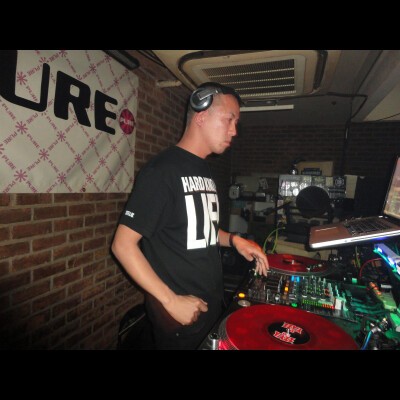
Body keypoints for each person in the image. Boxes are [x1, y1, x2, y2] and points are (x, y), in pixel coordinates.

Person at [112, 82, 269, 350]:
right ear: (201, 115)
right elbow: (122, 245)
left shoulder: (204, 169)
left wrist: (234, 240)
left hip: (209, 304)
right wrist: (171, 301)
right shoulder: (162, 171)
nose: (234, 130)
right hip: (181, 314)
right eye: (229, 119)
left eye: (236, 123)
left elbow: (199, 227)